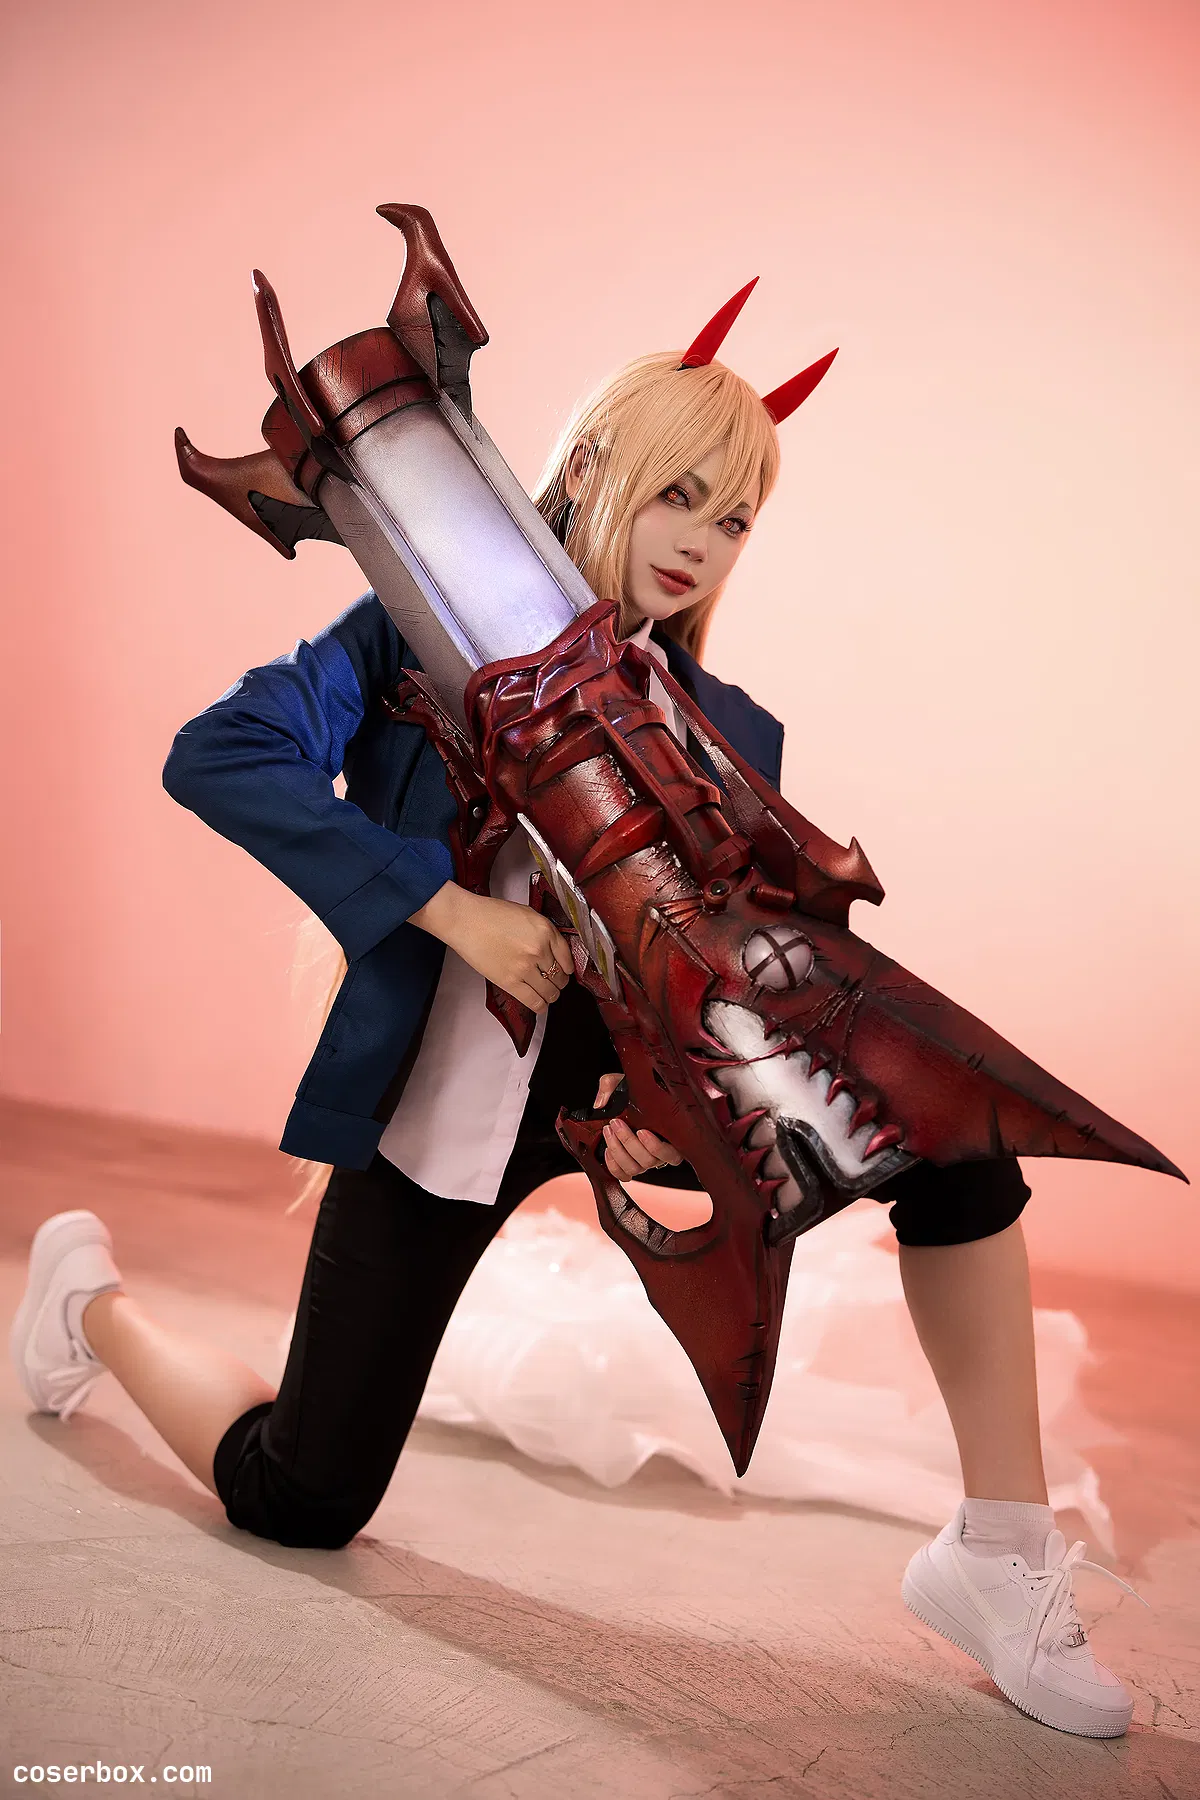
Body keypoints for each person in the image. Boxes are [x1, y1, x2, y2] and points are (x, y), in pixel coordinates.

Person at [10, 339, 1139, 1738]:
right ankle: (90, 1304)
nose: (702, 542)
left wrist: (650, 1110)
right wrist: (451, 912)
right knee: (300, 1495)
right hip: (443, 1101)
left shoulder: (732, 733)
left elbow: (712, 978)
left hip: (607, 1094)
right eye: (679, 494)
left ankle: (1001, 1550)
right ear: (594, 470)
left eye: (735, 519)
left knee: (954, 1143)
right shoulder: (414, 632)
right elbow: (220, 752)